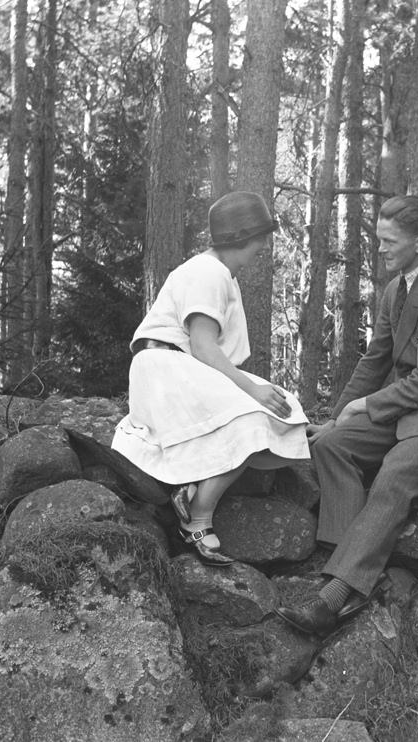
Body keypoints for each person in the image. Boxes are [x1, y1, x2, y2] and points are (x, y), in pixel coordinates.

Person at [274, 194, 418, 636]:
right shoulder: (396, 288)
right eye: (378, 239)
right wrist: (339, 419)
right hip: (408, 404)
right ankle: (341, 556)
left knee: (394, 473)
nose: (380, 249)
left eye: (389, 241)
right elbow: (375, 361)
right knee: (333, 447)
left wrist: (368, 406)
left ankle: (337, 597)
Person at [112, 191, 310, 566]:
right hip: (166, 370)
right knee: (253, 418)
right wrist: (251, 390)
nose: (262, 247)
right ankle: (198, 517)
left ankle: (190, 491)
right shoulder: (208, 271)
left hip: (181, 370)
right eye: (260, 238)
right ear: (243, 237)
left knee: (280, 408)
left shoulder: (221, 274)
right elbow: (203, 346)